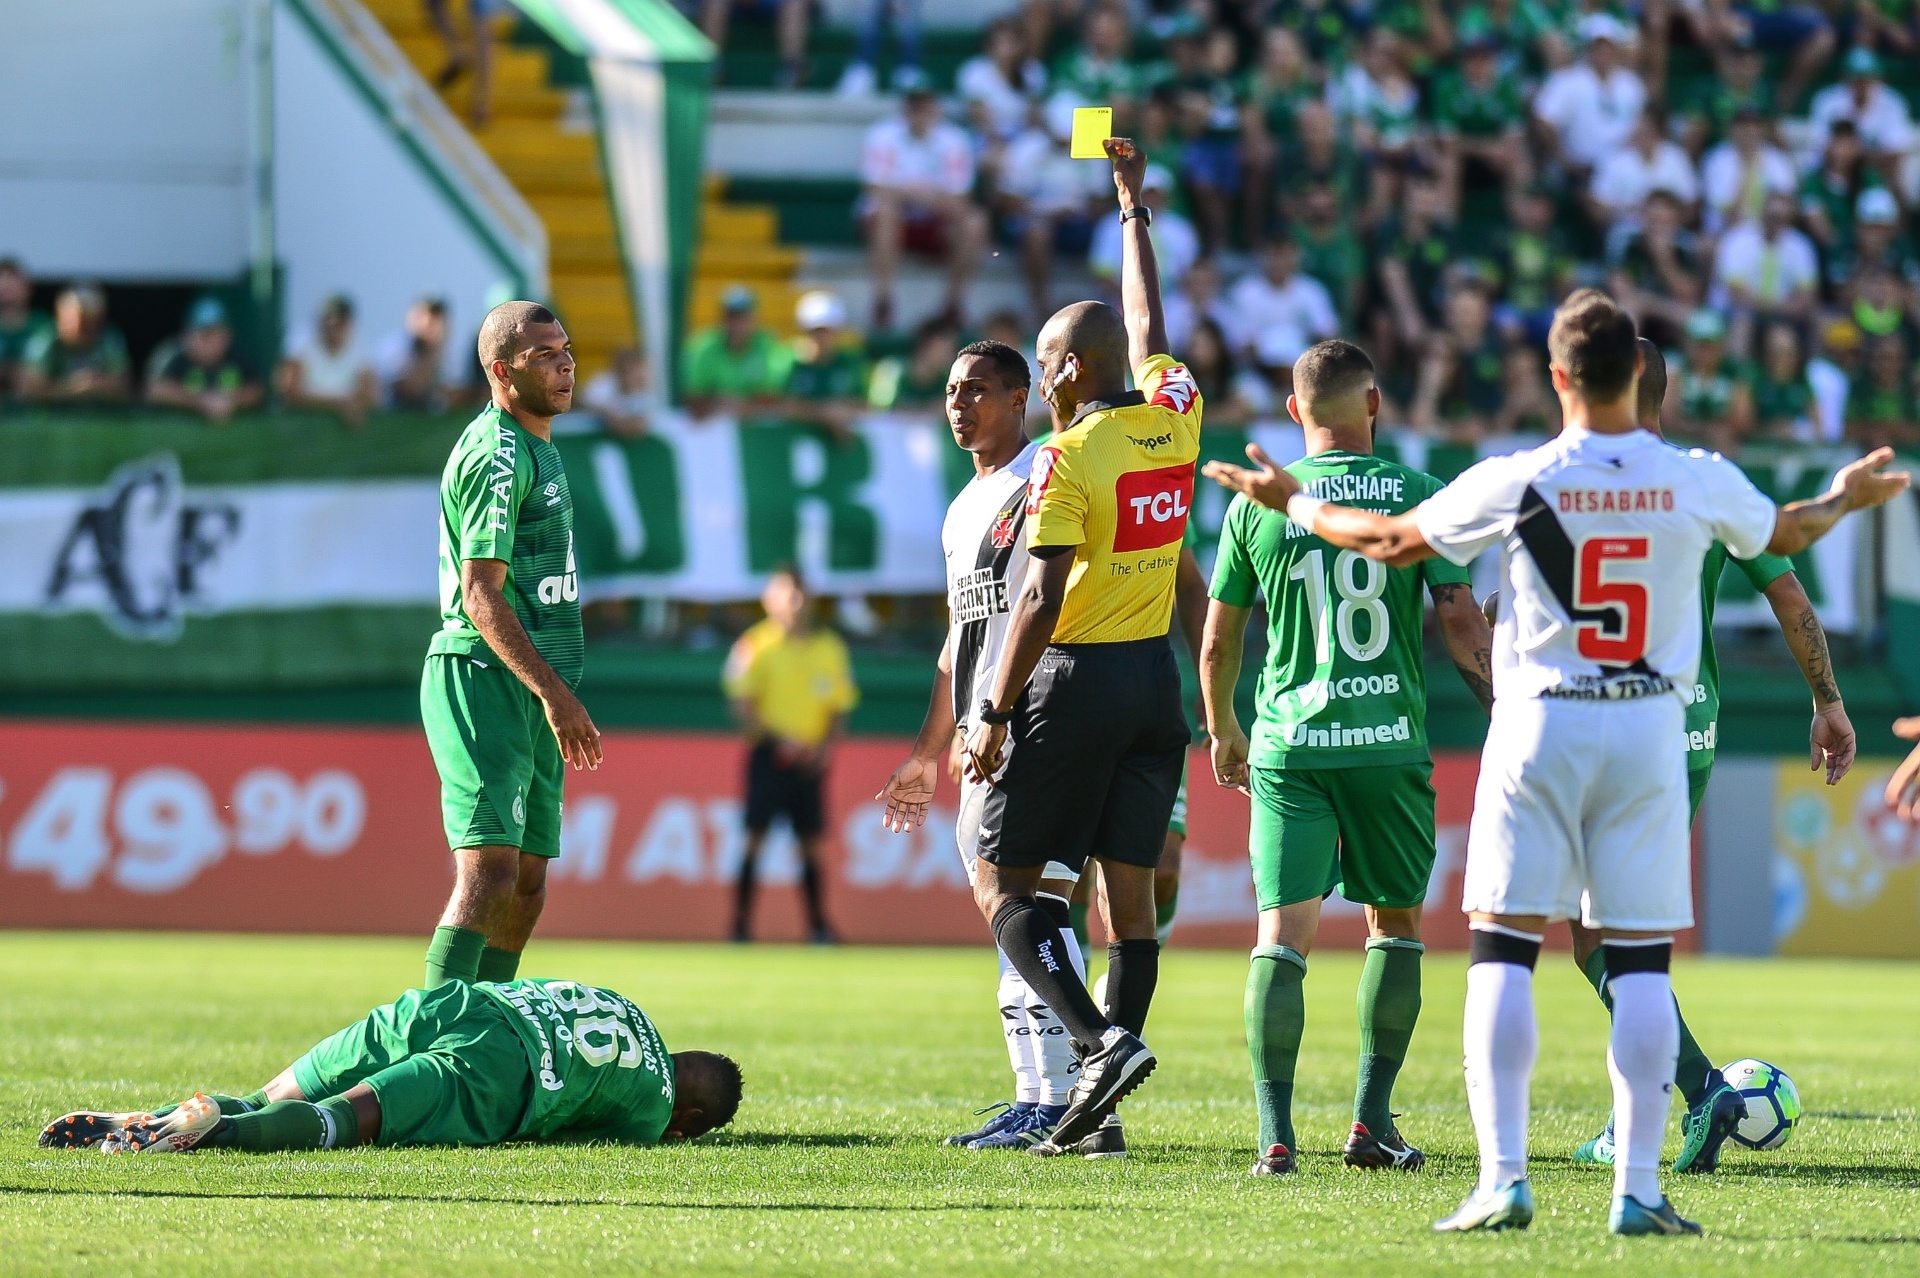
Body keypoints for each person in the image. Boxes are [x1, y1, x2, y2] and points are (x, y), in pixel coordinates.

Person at [1200, 288, 1909, 1235]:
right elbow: (1788, 535)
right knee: (1638, 960)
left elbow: (1391, 540)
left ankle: (1502, 1183)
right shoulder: (1694, 478)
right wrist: (1846, 497)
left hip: (1539, 732)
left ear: (1558, 377)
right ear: (1639, 376)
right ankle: (1640, 1191)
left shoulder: (1521, 475)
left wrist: (1292, 500)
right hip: (1647, 732)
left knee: (1502, 948)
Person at [1202, 339, 1495, 1178]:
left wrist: (1222, 727)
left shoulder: (1259, 505)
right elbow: (1459, 618)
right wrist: (1502, 707)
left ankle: (1274, 1136)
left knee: (1280, 936)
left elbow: (1220, 637)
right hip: (1386, 743)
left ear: (1294, 411)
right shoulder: (1418, 493)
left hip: (1290, 744)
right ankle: (1370, 1124)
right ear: (1374, 403)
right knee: (1394, 926)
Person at [1563, 337, 1854, 1177]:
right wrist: (1829, 702)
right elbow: (1790, 594)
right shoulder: (1706, 480)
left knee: (1593, 935)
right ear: (1668, 392)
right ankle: (1647, 1108)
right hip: (1687, 734)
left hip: (1602, 726)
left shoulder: (1569, 480)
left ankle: (1695, 1092)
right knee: (1614, 928)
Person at [959, 136, 1195, 1157]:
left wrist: (992, 713)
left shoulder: (1066, 457)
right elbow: (1150, 326)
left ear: (1061, 371)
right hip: (1155, 680)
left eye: (1047, 356)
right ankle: (1099, 1109)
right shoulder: (1177, 418)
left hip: (1080, 681)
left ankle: (1098, 1047)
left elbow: (1040, 596)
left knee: (1008, 884)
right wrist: (1132, 210)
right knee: (1127, 903)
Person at [876, 339, 1102, 1153]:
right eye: (950, 391)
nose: (959, 403)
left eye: (977, 389)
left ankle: (1059, 1095)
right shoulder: (961, 508)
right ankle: (1052, 1097)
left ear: (1020, 398)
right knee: (1027, 907)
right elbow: (959, 641)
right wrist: (925, 753)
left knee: (1014, 901)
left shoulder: (1045, 474)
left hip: (1032, 717)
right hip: (983, 730)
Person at [419, 301, 601, 992]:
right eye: (543, 355)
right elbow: (480, 594)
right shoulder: (497, 452)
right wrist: (556, 696)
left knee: (526, 882)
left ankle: (486, 1021)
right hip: (482, 673)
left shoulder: (536, 446)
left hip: (528, 684)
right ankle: (435, 1030)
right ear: (502, 371)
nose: (565, 365)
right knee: (490, 871)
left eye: (567, 350)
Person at [41, 976, 740, 1154]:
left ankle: (158, 1118)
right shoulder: (654, 1109)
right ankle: (214, 1132)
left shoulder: (626, 1005)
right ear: (688, 1118)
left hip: (454, 1006)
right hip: (495, 1073)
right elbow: (580, 1131)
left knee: (271, 1094)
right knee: (336, 1123)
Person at [724, 566, 857, 944]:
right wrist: (780, 741)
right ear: (769, 600)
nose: (795, 603)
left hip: (810, 761)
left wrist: (824, 749)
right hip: (769, 757)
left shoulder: (830, 648)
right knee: (754, 837)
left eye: (801, 594)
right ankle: (740, 927)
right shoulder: (754, 645)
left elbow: (840, 705)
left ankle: (818, 928)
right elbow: (742, 705)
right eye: (787, 594)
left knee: (811, 843)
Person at [859, 83, 988, 330]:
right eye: (914, 106)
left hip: (936, 223)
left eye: (924, 106)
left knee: (975, 223)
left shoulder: (954, 139)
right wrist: (926, 196)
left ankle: (953, 304)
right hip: (893, 221)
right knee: (885, 214)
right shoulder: (882, 134)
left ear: (935, 108)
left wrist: (914, 195)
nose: (919, 113)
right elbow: (875, 189)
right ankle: (883, 301)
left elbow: (960, 200)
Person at [144, 296, 263, 424]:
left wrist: (231, 401)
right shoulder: (173, 354)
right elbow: (153, 390)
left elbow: (257, 389)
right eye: (204, 334)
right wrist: (201, 401)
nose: (209, 342)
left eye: (216, 333)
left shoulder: (238, 355)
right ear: (187, 335)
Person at [681, 286, 792, 420]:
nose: (737, 323)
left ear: (755, 318)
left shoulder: (768, 344)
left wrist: (736, 403)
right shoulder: (705, 346)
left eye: (743, 317)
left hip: (755, 421)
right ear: (722, 318)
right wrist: (724, 403)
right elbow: (694, 395)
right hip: (715, 420)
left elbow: (772, 395)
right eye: (732, 316)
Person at [18, 283, 131, 405]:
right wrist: (73, 389)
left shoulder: (109, 338)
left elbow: (125, 386)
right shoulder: (45, 339)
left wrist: (98, 384)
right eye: (75, 319)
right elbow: (29, 390)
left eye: (89, 320)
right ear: (61, 316)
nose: (82, 327)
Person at [279, 294, 378, 427]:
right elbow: (289, 394)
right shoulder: (300, 344)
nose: (332, 328)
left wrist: (351, 405)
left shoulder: (360, 348)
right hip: (300, 427)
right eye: (328, 320)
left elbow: (371, 394)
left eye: (339, 322)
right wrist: (339, 405)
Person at [380, 297, 457, 412]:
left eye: (436, 317)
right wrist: (433, 354)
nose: (431, 323)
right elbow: (410, 389)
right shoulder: (394, 346)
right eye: (426, 315)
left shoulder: (448, 350)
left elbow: (451, 391)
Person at [0, 258, 52, 398]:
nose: (7, 294)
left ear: (28, 289)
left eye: (13, 288)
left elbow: (46, 368)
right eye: (4, 288)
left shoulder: (43, 324)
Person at [580, 346, 654, 438]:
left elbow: (640, 423)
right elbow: (585, 404)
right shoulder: (602, 384)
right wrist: (613, 418)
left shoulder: (644, 393)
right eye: (629, 369)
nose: (637, 376)